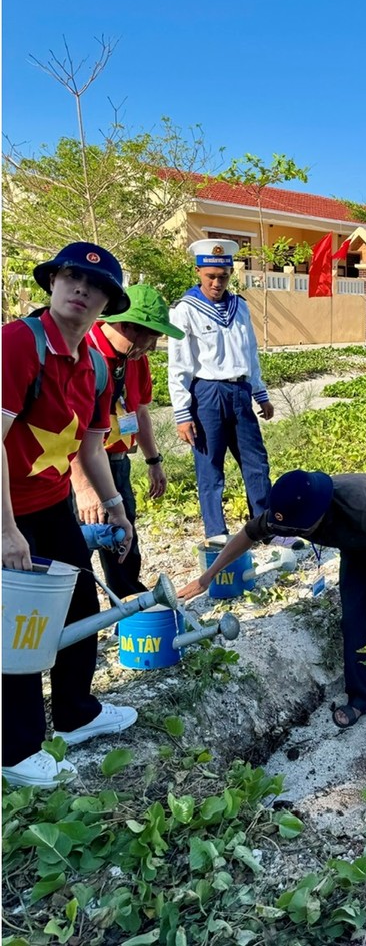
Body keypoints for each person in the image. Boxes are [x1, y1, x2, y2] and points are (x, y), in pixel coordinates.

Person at [1, 242, 137, 789]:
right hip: (9, 508)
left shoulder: (96, 366)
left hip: (52, 503)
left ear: (106, 301)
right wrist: (6, 530)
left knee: (80, 600)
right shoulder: (18, 344)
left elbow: (90, 449)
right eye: (71, 277)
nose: (81, 289)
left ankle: (76, 711)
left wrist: (116, 508)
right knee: (22, 627)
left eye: (95, 284)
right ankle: (16, 747)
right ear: (53, 282)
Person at [177, 469, 366, 728]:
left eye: (300, 532)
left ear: (319, 516)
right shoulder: (290, 512)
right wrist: (208, 576)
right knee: (352, 623)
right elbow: (248, 534)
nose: (292, 535)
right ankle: (362, 698)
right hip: (358, 552)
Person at [70, 284, 185, 600]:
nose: (151, 346)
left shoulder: (135, 359)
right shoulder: (81, 353)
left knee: (122, 536)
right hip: (75, 468)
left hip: (116, 461)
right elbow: (69, 430)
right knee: (74, 547)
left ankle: (128, 601)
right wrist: (84, 487)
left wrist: (153, 460)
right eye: (150, 336)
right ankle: (77, 615)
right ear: (124, 324)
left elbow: (141, 411)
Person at [167, 239, 274, 539]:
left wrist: (260, 392)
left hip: (239, 391)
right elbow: (178, 364)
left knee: (256, 461)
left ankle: (265, 526)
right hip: (207, 394)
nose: (216, 283)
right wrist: (182, 413)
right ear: (198, 271)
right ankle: (216, 532)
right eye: (210, 276)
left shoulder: (240, 306)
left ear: (230, 275)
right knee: (210, 465)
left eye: (223, 277)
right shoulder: (185, 310)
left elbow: (250, 352)